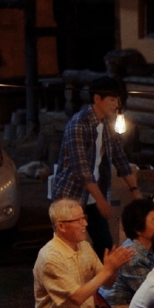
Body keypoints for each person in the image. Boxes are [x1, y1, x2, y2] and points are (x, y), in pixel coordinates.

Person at [33, 199, 132, 308]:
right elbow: (77, 297)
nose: (85, 223)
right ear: (61, 226)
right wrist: (107, 269)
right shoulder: (50, 257)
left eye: (84, 218)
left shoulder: (84, 246)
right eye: (78, 220)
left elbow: (107, 282)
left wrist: (113, 268)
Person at [52, 76, 141, 254]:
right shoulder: (78, 124)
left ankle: (105, 281)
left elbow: (120, 158)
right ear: (97, 99)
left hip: (93, 194)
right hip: (71, 195)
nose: (116, 104)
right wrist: (101, 200)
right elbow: (81, 169)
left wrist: (135, 190)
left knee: (105, 245)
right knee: (69, 247)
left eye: (118, 99)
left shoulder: (107, 124)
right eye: (112, 99)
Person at [100, 198, 154, 308]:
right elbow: (152, 295)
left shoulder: (151, 246)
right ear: (138, 230)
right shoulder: (132, 255)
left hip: (135, 302)